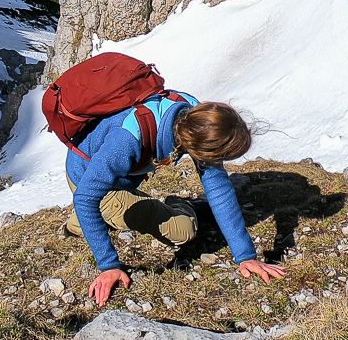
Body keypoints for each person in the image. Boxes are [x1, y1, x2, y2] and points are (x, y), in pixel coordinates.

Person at [64, 91, 285, 305]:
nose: (220, 162)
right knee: (183, 230)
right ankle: (179, 206)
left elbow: (219, 189)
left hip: (118, 178)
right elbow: (85, 197)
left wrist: (245, 255)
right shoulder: (127, 138)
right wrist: (109, 265)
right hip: (86, 179)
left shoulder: (193, 116)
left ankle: (83, 221)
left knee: (103, 209)